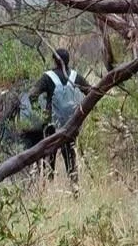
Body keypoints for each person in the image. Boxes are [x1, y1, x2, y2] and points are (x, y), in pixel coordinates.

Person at [23, 47, 89, 182]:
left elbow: (32, 95)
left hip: (51, 125)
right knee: (71, 159)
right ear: (68, 60)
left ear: (55, 60)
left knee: (49, 158)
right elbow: (91, 92)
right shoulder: (75, 77)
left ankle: (50, 187)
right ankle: (74, 189)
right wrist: (81, 113)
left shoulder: (48, 77)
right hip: (70, 125)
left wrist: (40, 114)